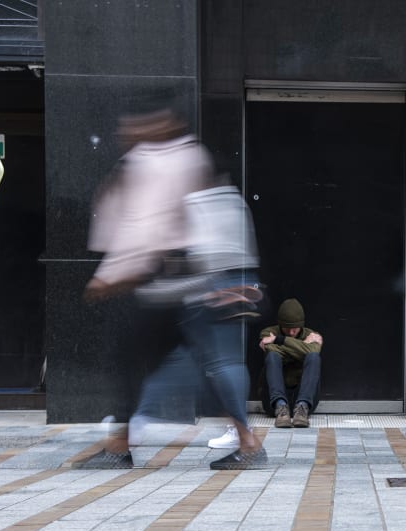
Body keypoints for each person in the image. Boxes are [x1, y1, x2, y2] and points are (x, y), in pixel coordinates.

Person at [80, 108, 266, 470]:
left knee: (205, 365)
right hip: (171, 288)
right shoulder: (152, 160)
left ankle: (247, 442)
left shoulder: (170, 161)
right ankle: (122, 444)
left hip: (187, 287)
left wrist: (113, 275)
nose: (129, 129)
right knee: (156, 362)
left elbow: (150, 227)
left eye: (138, 122)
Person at [259, 298, 322, 428]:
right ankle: (281, 406)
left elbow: (314, 351)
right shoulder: (267, 333)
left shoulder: (312, 334)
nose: (292, 332)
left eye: (295, 328)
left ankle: (302, 407)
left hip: (304, 400)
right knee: (272, 357)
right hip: (273, 400)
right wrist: (303, 348)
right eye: (287, 329)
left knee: (314, 358)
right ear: (280, 324)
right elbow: (271, 349)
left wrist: (279, 340)